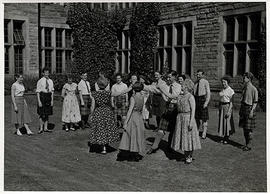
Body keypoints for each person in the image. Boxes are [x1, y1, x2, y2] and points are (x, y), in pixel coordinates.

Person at [162, 83, 201, 164]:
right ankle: (186, 155)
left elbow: (193, 110)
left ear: (187, 87)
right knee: (184, 138)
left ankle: (189, 156)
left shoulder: (190, 96)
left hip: (187, 118)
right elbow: (170, 96)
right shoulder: (180, 96)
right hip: (180, 118)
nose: (181, 87)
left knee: (189, 138)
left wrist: (191, 122)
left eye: (182, 86)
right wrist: (161, 90)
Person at [147, 71, 182, 154]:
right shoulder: (165, 85)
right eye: (168, 77)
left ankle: (170, 146)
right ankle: (154, 146)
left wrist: (162, 90)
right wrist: (144, 86)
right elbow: (155, 90)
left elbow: (174, 96)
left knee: (173, 129)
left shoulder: (178, 86)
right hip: (167, 109)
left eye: (170, 77)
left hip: (175, 109)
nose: (168, 79)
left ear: (174, 77)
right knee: (161, 129)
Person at [88, 77, 120, 154]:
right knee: (107, 128)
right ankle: (105, 145)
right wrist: (129, 89)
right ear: (106, 85)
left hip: (98, 112)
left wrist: (91, 115)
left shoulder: (94, 94)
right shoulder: (108, 93)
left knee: (100, 129)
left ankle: (103, 147)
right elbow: (119, 93)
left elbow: (92, 106)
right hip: (107, 112)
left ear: (98, 85)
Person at [117, 82, 145, 162]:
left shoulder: (133, 97)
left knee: (130, 134)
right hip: (139, 117)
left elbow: (130, 110)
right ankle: (136, 153)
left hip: (133, 116)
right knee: (138, 135)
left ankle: (131, 153)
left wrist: (125, 122)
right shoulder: (142, 97)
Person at [239, 72, 258, 151]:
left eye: (245, 77)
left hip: (249, 108)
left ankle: (249, 145)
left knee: (249, 129)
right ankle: (246, 144)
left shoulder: (254, 89)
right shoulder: (244, 87)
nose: (243, 79)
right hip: (243, 108)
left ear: (249, 78)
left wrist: (252, 111)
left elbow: (255, 102)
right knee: (244, 127)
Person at [193, 69, 211, 139]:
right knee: (197, 118)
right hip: (196, 100)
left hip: (202, 100)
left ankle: (204, 133)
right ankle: (197, 131)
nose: (198, 76)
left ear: (203, 75)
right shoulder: (195, 82)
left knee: (204, 118)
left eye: (200, 75)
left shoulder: (205, 82)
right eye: (197, 74)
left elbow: (208, 93)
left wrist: (206, 102)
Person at [36, 67, 54, 134]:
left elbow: (52, 91)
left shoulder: (50, 81)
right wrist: (39, 101)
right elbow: (37, 92)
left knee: (47, 113)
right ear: (43, 73)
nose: (47, 74)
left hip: (48, 97)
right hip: (42, 97)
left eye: (48, 73)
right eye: (45, 73)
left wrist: (52, 100)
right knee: (41, 113)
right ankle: (41, 128)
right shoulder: (40, 81)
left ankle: (46, 128)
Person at [218, 76, 235, 144]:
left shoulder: (231, 91)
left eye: (224, 82)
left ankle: (226, 138)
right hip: (222, 107)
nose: (223, 83)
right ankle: (223, 137)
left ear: (228, 82)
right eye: (222, 82)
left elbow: (231, 102)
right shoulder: (222, 90)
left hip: (227, 107)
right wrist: (219, 108)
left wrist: (228, 111)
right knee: (222, 122)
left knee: (227, 123)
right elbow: (220, 99)